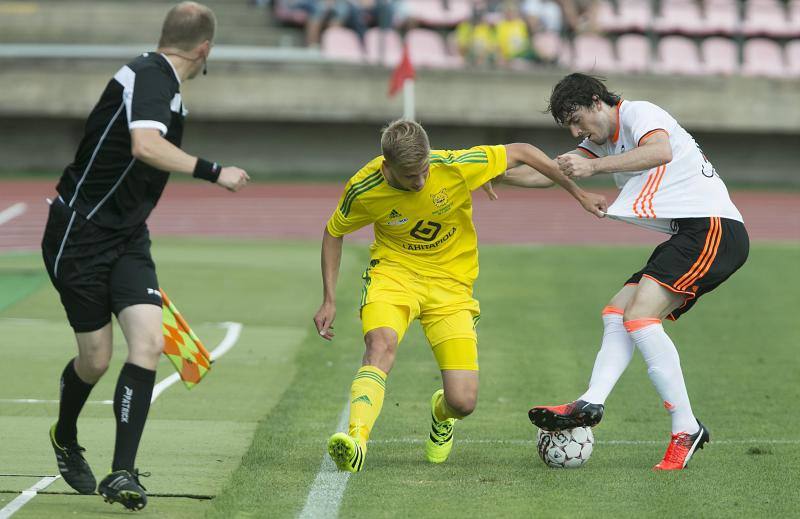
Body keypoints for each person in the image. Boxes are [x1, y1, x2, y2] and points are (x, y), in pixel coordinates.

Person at [40, 1, 249, 510]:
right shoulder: (151, 76)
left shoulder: (163, 83)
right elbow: (145, 146)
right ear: (205, 49)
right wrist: (214, 171)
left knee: (149, 344)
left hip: (128, 237)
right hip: (80, 236)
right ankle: (64, 435)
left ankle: (122, 472)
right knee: (95, 360)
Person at [313, 119, 606, 472]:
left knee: (463, 401)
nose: (420, 181)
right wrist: (329, 298)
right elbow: (333, 232)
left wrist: (578, 193)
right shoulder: (364, 188)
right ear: (387, 167)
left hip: (451, 286)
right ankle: (356, 440)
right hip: (393, 275)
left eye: (423, 171)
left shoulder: (452, 167)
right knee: (379, 345)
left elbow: (524, 152)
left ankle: (441, 414)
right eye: (410, 177)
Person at [527, 73, 749, 470]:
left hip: (714, 228)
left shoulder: (638, 113)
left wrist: (594, 169)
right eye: (569, 127)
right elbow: (548, 173)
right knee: (617, 311)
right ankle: (591, 400)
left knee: (640, 316)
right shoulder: (600, 141)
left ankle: (686, 428)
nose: (577, 132)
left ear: (598, 102)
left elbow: (660, 151)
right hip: (691, 232)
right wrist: (485, 171)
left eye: (577, 120)